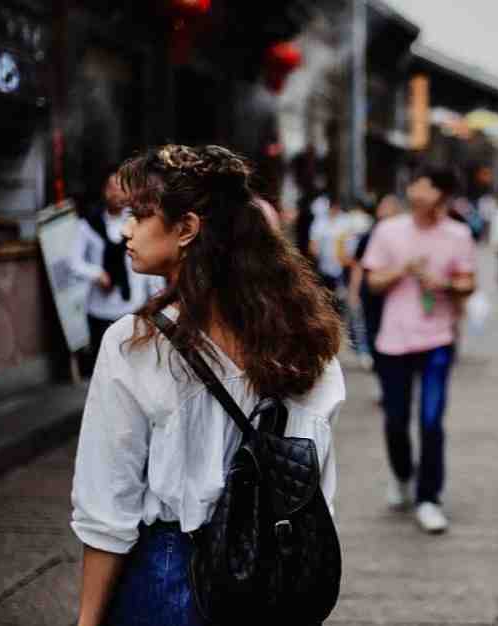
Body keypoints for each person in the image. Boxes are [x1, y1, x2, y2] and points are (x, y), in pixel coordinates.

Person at [70, 145, 346, 626]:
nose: (126, 230)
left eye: (140, 214)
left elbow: (108, 508)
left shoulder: (136, 344)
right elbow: (316, 483)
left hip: (173, 577)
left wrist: (87, 620)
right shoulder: (306, 340)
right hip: (276, 577)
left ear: (187, 229)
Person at [361, 166, 477, 534]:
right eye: (413, 184)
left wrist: (443, 283)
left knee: (431, 422)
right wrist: (402, 271)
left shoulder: (458, 234)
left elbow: (469, 282)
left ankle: (429, 498)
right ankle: (401, 475)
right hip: (394, 340)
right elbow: (372, 281)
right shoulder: (388, 230)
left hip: (437, 339)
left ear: (440, 194)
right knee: (395, 420)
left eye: (424, 186)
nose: (415, 191)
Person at [72, 173, 165, 374]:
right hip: (100, 309)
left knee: (134, 367)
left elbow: (150, 262)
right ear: (104, 191)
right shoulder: (88, 224)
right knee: (104, 367)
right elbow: (75, 262)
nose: (116, 193)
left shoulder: (140, 222)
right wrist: (97, 273)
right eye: (111, 187)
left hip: (133, 306)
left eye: (122, 187)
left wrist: (157, 297)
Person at [348, 193, 404, 375]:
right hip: (371, 293)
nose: (384, 211)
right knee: (373, 331)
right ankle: (381, 369)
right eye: (383, 207)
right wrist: (354, 291)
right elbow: (358, 264)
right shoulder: (369, 235)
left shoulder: (404, 236)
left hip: (395, 293)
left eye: (389, 208)